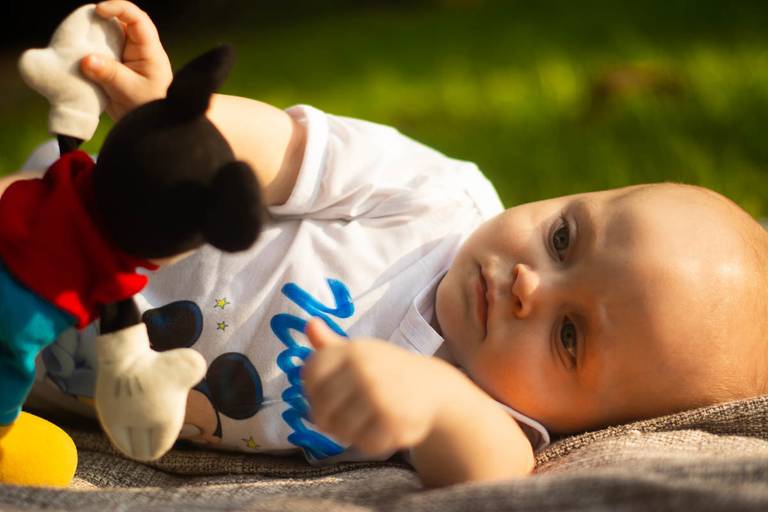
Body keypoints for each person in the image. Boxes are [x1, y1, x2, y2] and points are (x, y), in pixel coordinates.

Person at [14, 1, 768, 488]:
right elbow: (286, 151)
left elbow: (496, 473)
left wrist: (433, 406)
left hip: (51, 374)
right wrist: (184, 129)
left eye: (569, 336)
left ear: (594, 422)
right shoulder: (435, 197)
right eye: (564, 238)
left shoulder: (488, 410)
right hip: (62, 227)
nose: (530, 285)